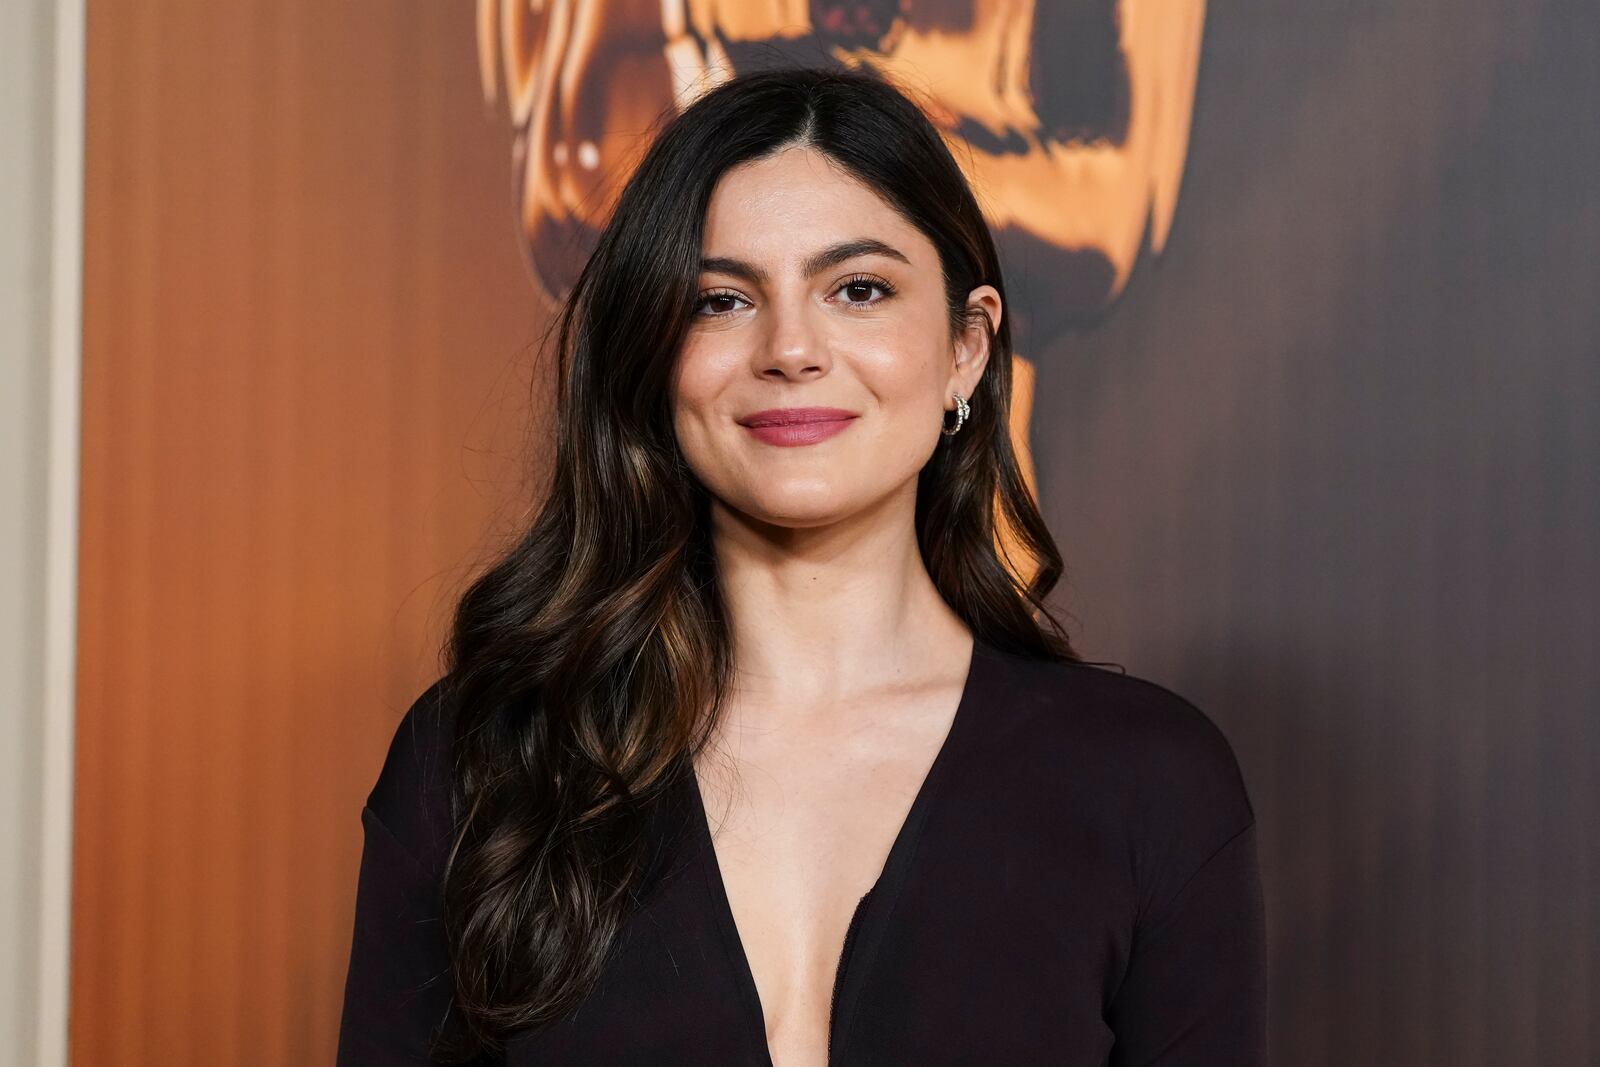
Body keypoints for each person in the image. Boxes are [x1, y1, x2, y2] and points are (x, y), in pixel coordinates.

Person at [337, 65, 1265, 1066]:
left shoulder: (1149, 787)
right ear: (654, 356)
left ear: (965, 345)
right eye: (721, 300)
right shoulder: (481, 762)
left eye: (857, 289)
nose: (789, 347)